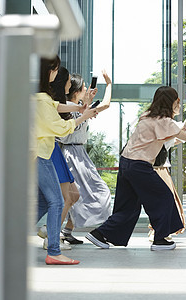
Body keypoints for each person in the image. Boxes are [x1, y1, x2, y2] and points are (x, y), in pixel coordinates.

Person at [85, 86, 186, 251]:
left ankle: (100, 234)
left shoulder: (147, 116)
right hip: (139, 166)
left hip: (126, 163)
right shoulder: (165, 121)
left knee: (128, 206)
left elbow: (168, 134)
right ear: (172, 102)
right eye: (177, 101)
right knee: (164, 197)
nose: (179, 104)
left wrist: (182, 128)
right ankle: (160, 239)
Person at [35, 56, 96, 265]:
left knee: (44, 201)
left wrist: (78, 109)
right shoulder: (41, 99)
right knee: (57, 201)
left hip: (37, 154)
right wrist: (82, 117)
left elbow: (57, 106)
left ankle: (8, 239)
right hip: (40, 155)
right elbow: (60, 128)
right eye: (56, 69)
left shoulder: (38, 97)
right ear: (49, 71)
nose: (57, 73)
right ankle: (53, 251)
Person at [59, 71, 113, 244]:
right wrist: (85, 107)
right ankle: (58, 232)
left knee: (75, 195)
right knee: (85, 193)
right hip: (71, 154)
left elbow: (105, 105)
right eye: (83, 87)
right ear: (76, 91)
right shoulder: (67, 108)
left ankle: (66, 230)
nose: (86, 90)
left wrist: (109, 85)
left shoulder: (81, 106)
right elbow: (69, 130)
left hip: (78, 153)